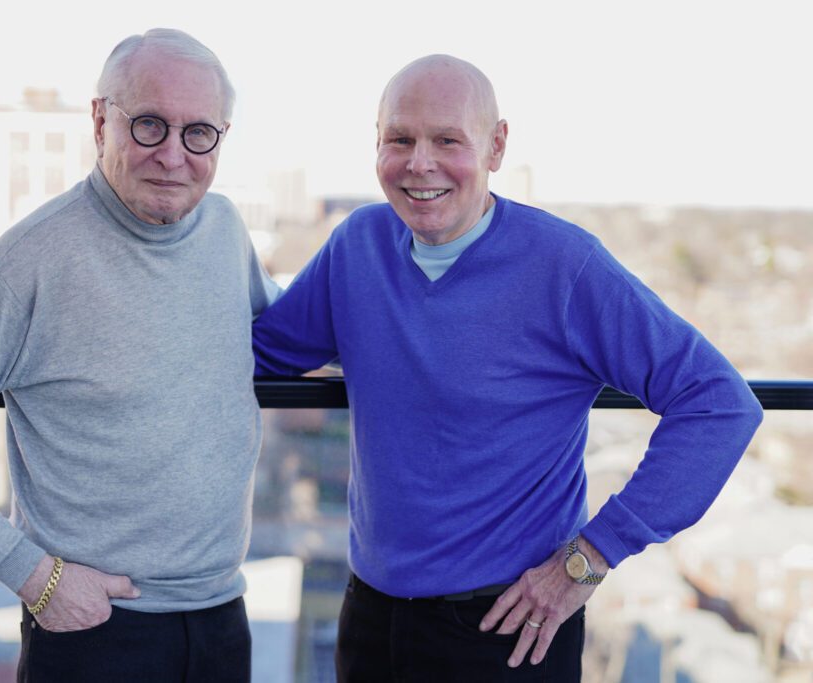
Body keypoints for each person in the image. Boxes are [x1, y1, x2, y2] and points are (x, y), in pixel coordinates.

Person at [252, 54, 763, 680]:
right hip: (370, 618)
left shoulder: (564, 266)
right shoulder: (357, 246)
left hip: (511, 628)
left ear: (496, 146)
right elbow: (259, 350)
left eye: (448, 141)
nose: (420, 163)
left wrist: (592, 556)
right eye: (400, 139)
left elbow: (719, 403)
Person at [0, 28, 277, 682]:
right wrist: (35, 576)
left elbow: (292, 334)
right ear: (100, 120)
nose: (173, 155)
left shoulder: (225, 229)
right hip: (94, 629)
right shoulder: (33, 258)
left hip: (224, 621)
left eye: (199, 133)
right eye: (149, 125)